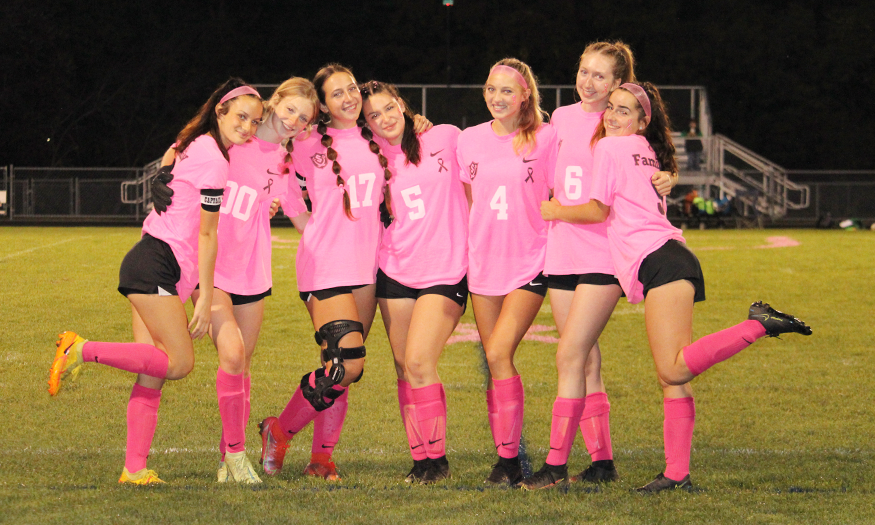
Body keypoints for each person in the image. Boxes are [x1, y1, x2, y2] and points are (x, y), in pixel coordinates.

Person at [541, 82, 811, 493]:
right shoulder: (647, 150)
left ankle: (758, 325)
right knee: (673, 376)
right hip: (671, 259)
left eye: (624, 111)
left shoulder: (612, 148)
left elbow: (598, 209)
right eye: (610, 108)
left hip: (661, 262)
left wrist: (555, 209)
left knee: (672, 368)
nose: (612, 116)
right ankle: (676, 474)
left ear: (642, 120)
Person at [47, 78, 264, 485]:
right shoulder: (216, 160)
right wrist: (204, 299)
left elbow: (175, 150)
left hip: (151, 259)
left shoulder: (198, 142)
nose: (248, 128)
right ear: (220, 111)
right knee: (180, 363)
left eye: (254, 121)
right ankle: (81, 348)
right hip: (158, 265)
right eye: (241, 117)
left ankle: (134, 469)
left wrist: (164, 169)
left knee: (152, 370)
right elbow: (206, 234)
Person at [257, 64, 430, 481]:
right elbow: (276, 175)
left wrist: (417, 122)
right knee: (347, 364)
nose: (349, 97)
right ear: (323, 104)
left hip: (368, 268)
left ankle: (321, 460)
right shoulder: (306, 140)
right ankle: (279, 431)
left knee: (339, 368)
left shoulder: (378, 138)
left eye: (351, 88)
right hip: (324, 265)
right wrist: (311, 230)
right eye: (337, 94)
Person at [519, 41, 676, 490]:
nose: (588, 82)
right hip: (562, 251)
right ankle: (602, 462)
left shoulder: (621, 129)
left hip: (602, 255)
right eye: (583, 71)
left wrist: (668, 175)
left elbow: (648, 170)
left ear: (617, 85)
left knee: (568, 355)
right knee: (584, 359)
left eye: (600, 76)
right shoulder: (563, 118)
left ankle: (554, 467)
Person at [157, 78, 316, 483]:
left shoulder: (284, 160)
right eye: (290, 109)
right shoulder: (233, 138)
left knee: (241, 365)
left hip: (252, 271)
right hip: (211, 270)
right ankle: (235, 454)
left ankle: (229, 458)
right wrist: (161, 174)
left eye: (304, 118)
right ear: (274, 101)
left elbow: (302, 220)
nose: (294, 120)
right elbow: (181, 147)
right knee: (230, 353)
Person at [360, 81, 468, 484]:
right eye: (374, 115)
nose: (385, 119)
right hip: (395, 270)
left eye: (390, 108)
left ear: (403, 105)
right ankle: (420, 458)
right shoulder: (370, 158)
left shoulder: (444, 136)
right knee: (404, 368)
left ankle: (437, 460)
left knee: (421, 361)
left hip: (445, 270)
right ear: (366, 123)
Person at [456, 58, 557, 486]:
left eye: (507, 91)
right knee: (496, 361)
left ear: (525, 96)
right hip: (483, 264)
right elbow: (468, 197)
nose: (498, 98)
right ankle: (507, 459)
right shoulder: (468, 139)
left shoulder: (547, 137)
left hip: (529, 261)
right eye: (491, 89)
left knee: (497, 353)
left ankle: (509, 459)